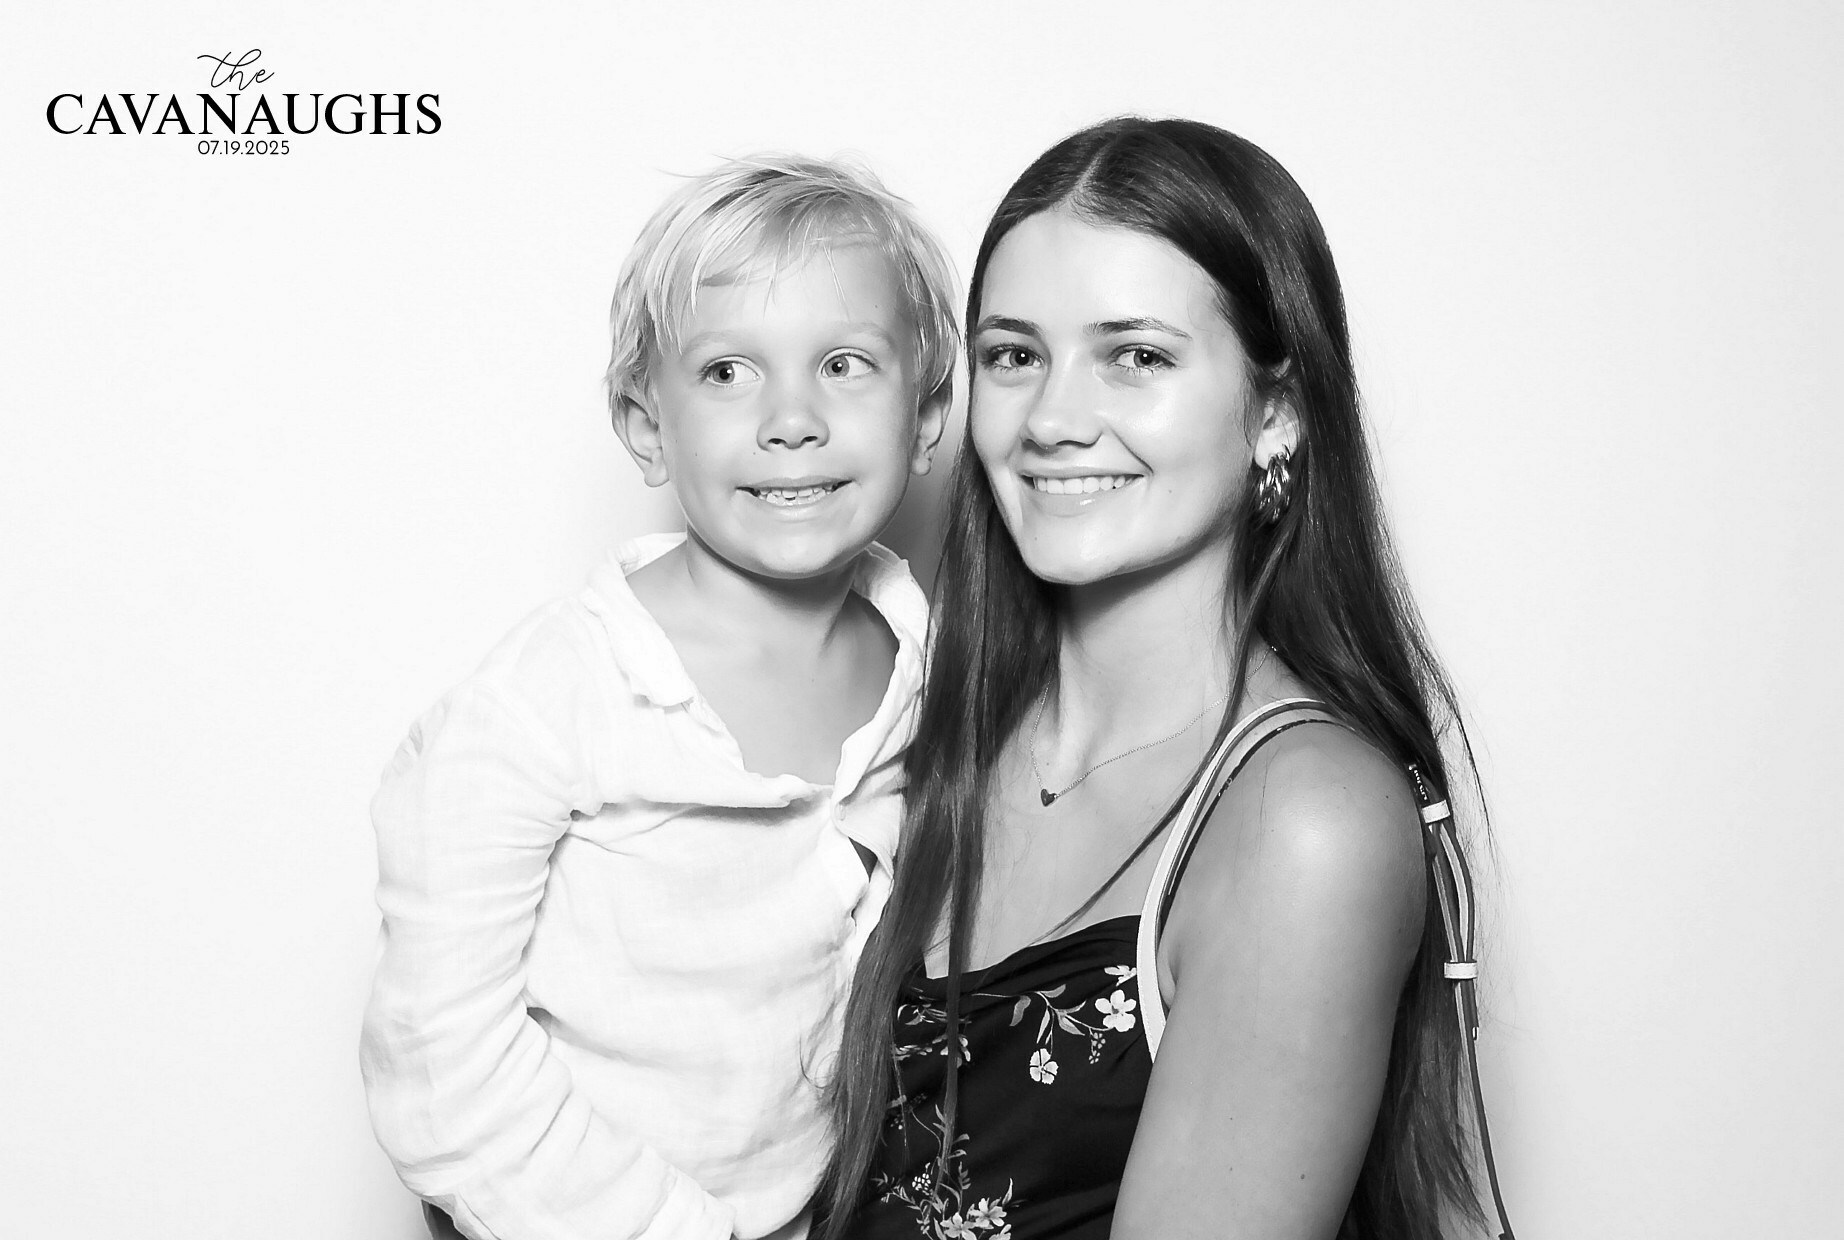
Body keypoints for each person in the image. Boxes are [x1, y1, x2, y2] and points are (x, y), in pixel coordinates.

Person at [824, 118, 1496, 1239]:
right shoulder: (913, 725)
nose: (1053, 420)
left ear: (1276, 413)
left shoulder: (1301, 818)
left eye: (1135, 355)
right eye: (1014, 355)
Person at [361, 154, 956, 1240]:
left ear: (925, 417)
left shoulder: (927, 660)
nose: (791, 418)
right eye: (727, 371)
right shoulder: (541, 707)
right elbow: (441, 1066)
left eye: (844, 363)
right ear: (646, 426)